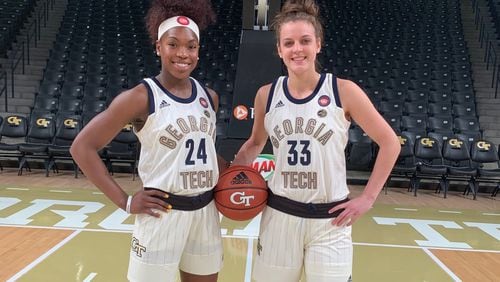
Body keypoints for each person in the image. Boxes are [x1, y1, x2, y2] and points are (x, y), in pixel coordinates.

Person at [231, 0, 401, 281]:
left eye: (305, 41)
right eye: (289, 43)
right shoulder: (266, 94)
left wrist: (368, 198)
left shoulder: (343, 91)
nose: (297, 49)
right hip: (279, 215)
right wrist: (232, 177)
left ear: (318, 44)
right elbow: (254, 144)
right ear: (279, 50)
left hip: (330, 220)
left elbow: (389, 142)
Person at [70, 0, 227, 281]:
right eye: (173, 44)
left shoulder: (209, 97)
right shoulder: (140, 97)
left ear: (198, 52)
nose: (183, 53)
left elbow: (205, 152)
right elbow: (82, 147)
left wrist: (241, 174)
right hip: (161, 215)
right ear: (158, 47)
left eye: (191, 46)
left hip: (206, 212)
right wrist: (125, 202)